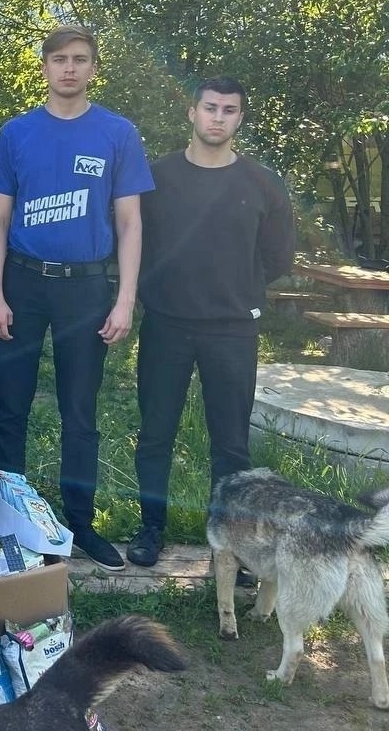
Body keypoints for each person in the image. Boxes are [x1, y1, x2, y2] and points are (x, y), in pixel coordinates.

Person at [0, 25, 154, 572]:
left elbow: (130, 223)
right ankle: (7, 519)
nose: (69, 69)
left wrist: (124, 297)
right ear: (45, 66)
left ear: (93, 67)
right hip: (23, 281)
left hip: (86, 286)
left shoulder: (117, 133)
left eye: (79, 59)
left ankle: (80, 523)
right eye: (59, 59)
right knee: (10, 405)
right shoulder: (16, 134)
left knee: (80, 409)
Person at [127, 76, 295, 568]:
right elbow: (138, 242)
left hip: (233, 330)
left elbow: (278, 255)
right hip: (166, 326)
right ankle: (150, 527)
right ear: (192, 113)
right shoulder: (156, 177)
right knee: (156, 433)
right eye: (210, 108)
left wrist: (239, 289)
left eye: (229, 110)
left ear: (240, 118)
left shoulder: (262, 182)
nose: (218, 117)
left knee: (231, 444)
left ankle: (233, 546)